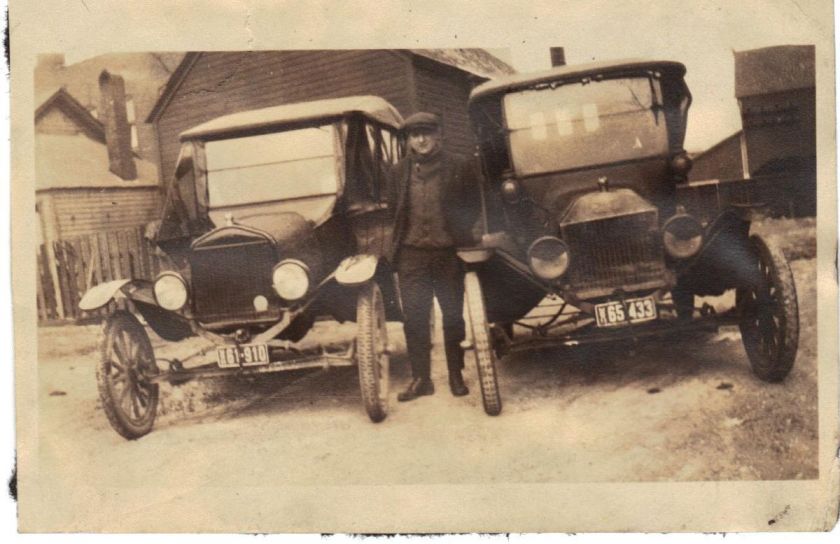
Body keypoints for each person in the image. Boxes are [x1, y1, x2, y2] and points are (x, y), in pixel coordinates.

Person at [387, 112, 481, 402]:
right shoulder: (397, 172)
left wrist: (460, 234)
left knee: (452, 316)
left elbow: (473, 204)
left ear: (439, 134)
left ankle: (455, 375)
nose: (422, 139)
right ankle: (421, 379)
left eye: (427, 133)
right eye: (415, 135)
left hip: (447, 253)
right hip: (411, 256)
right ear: (409, 140)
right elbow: (395, 209)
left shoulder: (459, 166)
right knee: (414, 318)